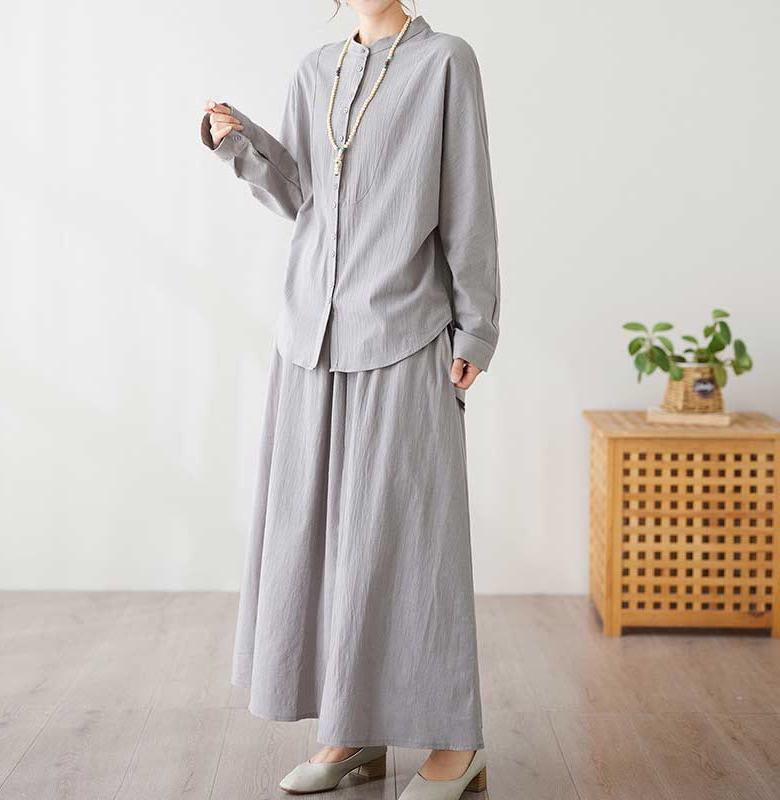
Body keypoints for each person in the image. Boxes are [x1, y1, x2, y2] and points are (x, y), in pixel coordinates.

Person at [200, 1, 499, 797]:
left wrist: (476, 328)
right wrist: (240, 143)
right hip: (310, 338)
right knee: (328, 543)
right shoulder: (315, 71)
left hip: (404, 330)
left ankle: (454, 743)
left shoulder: (446, 62)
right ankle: (352, 729)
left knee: (415, 543)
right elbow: (303, 198)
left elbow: (467, 199)